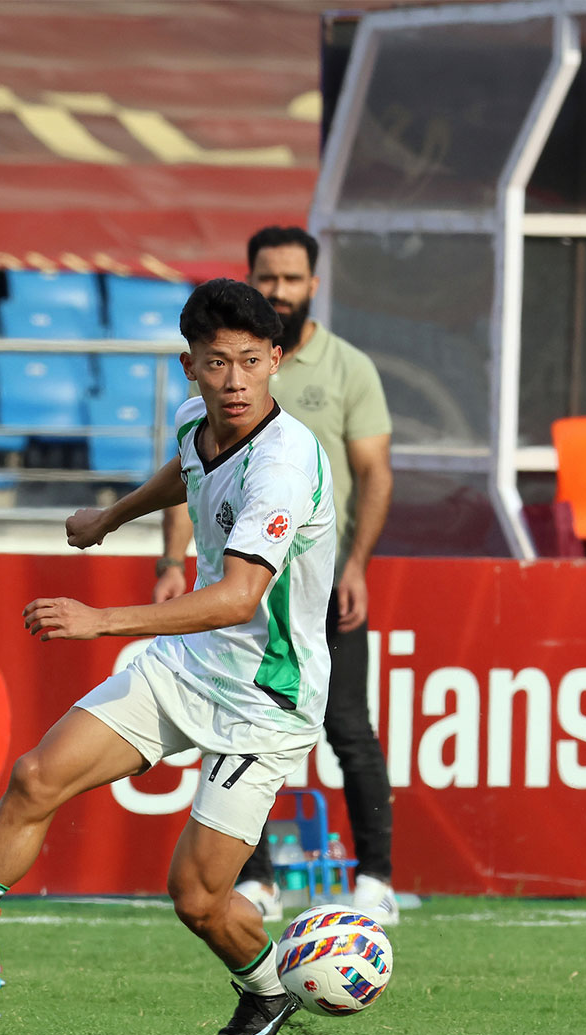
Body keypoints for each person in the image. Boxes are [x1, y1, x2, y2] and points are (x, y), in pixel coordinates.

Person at [0, 279, 337, 1035]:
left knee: (199, 899)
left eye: (248, 362)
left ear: (276, 360)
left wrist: (101, 619)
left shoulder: (285, 465)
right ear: (189, 368)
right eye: (215, 363)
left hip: (266, 696)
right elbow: (188, 465)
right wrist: (112, 515)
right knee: (36, 777)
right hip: (191, 662)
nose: (233, 381)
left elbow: (240, 597)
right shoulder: (197, 419)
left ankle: (268, 989)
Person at [154, 226, 397, 927]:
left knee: (350, 728)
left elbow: (376, 472)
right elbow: (192, 473)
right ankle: (254, 880)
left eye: (292, 278)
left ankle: (376, 878)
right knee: (231, 723)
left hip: (319, 578)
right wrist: (175, 561)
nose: (279, 289)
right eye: (268, 277)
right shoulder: (219, 375)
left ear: (312, 285)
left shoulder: (348, 368)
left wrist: (357, 563)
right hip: (237, 588)